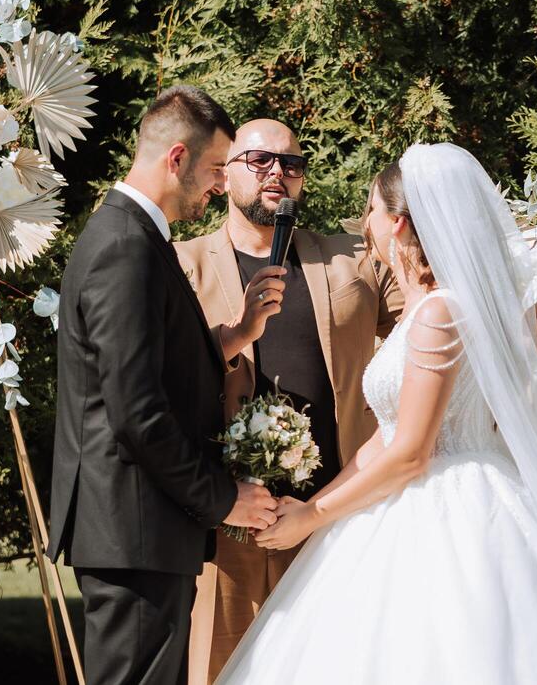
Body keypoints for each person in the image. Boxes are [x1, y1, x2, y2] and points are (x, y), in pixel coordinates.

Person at [215, 143, 537, 685]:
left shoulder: (437, 313)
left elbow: (412, 452)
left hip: (452, 510)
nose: (365, 222)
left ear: (399, 224)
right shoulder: (434, 311)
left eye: (373, 210)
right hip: (426, 491)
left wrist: (316, 517)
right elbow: (387, 438)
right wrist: (316, 504)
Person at [47, 86, 280, 685]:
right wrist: (223, 497)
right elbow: (137, 414)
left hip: (139, 533)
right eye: (213, 170)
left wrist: (229, 338)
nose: (220, 187)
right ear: (176, 158)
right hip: (134, 531)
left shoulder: (134, 237)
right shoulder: (126, 246)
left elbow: (143, 367)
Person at [173, 119, 406, 684]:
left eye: (292, 163)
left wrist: (519, 327)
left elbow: (433, 315)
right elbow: (155, 384)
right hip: (224, 526)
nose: (278, 172)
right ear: (225, 175)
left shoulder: (355, 259)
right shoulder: (179, 265)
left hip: (333, 521)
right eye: (259, 160)